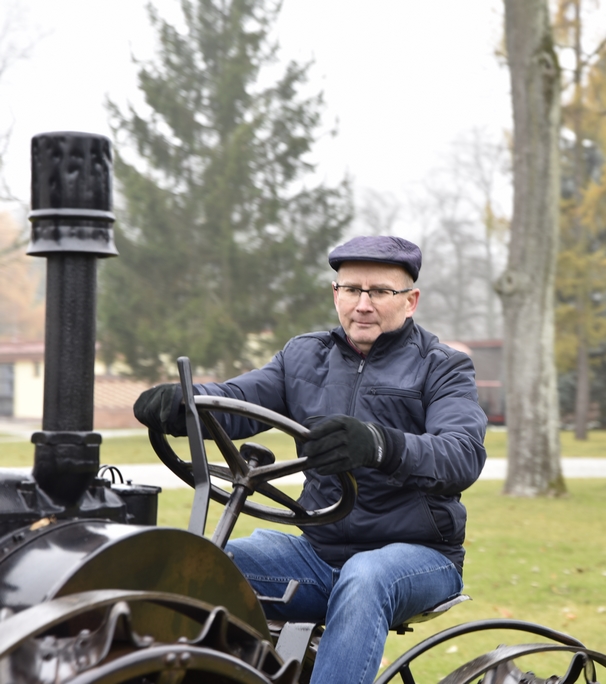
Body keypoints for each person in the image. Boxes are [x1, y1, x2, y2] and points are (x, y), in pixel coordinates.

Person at [133, 235, 488, 684]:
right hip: (316, 554)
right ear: (335, 294)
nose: (363, 304)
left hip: (420, 557)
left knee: (365, 577)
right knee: (199, 566)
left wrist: (380, 444)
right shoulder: (303, 356)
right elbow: (238, 400)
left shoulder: (442, 366)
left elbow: (461, 454)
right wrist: (185, 404)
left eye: (380, 291)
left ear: (410, 300)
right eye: (351, 289)